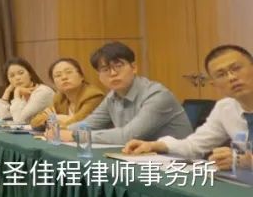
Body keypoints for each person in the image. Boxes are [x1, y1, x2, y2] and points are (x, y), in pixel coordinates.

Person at [123, 44, 253, 170]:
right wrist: (154, 145)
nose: (232, 77)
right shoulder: (225, 108)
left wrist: (247, 161)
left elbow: (245, 161)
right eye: (221, 75)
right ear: (214, 84)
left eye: (236, 68)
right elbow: (194, 146)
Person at [51, 42, 192, 144]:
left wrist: (74, 135)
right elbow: (90, 124)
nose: (113, 73)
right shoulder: (112, 96)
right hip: (143, 159)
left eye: (118, 66)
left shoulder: (157, 95)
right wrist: (61, 131)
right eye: (105, 69)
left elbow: (128, 136)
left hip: (178, 164)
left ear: (134, 67)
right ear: (99, 76)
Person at [30, 57, 105, 130]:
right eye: (58, 75)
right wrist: (55, 119)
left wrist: (56, 120)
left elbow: (79, 124)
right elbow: (35, 122)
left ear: (81, 76)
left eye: (69, 72)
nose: (64, 77)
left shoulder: (93, 96)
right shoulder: (60, 97)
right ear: (54, 82)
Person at [0, 57, 54, 124]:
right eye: (12, 76)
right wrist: (7, 91)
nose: (17, 78)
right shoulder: (23, 92)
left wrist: (17, 92)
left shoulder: (42, 92)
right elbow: (1, 118)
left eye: (21, 73)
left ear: (30, 74)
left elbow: (19, 121)